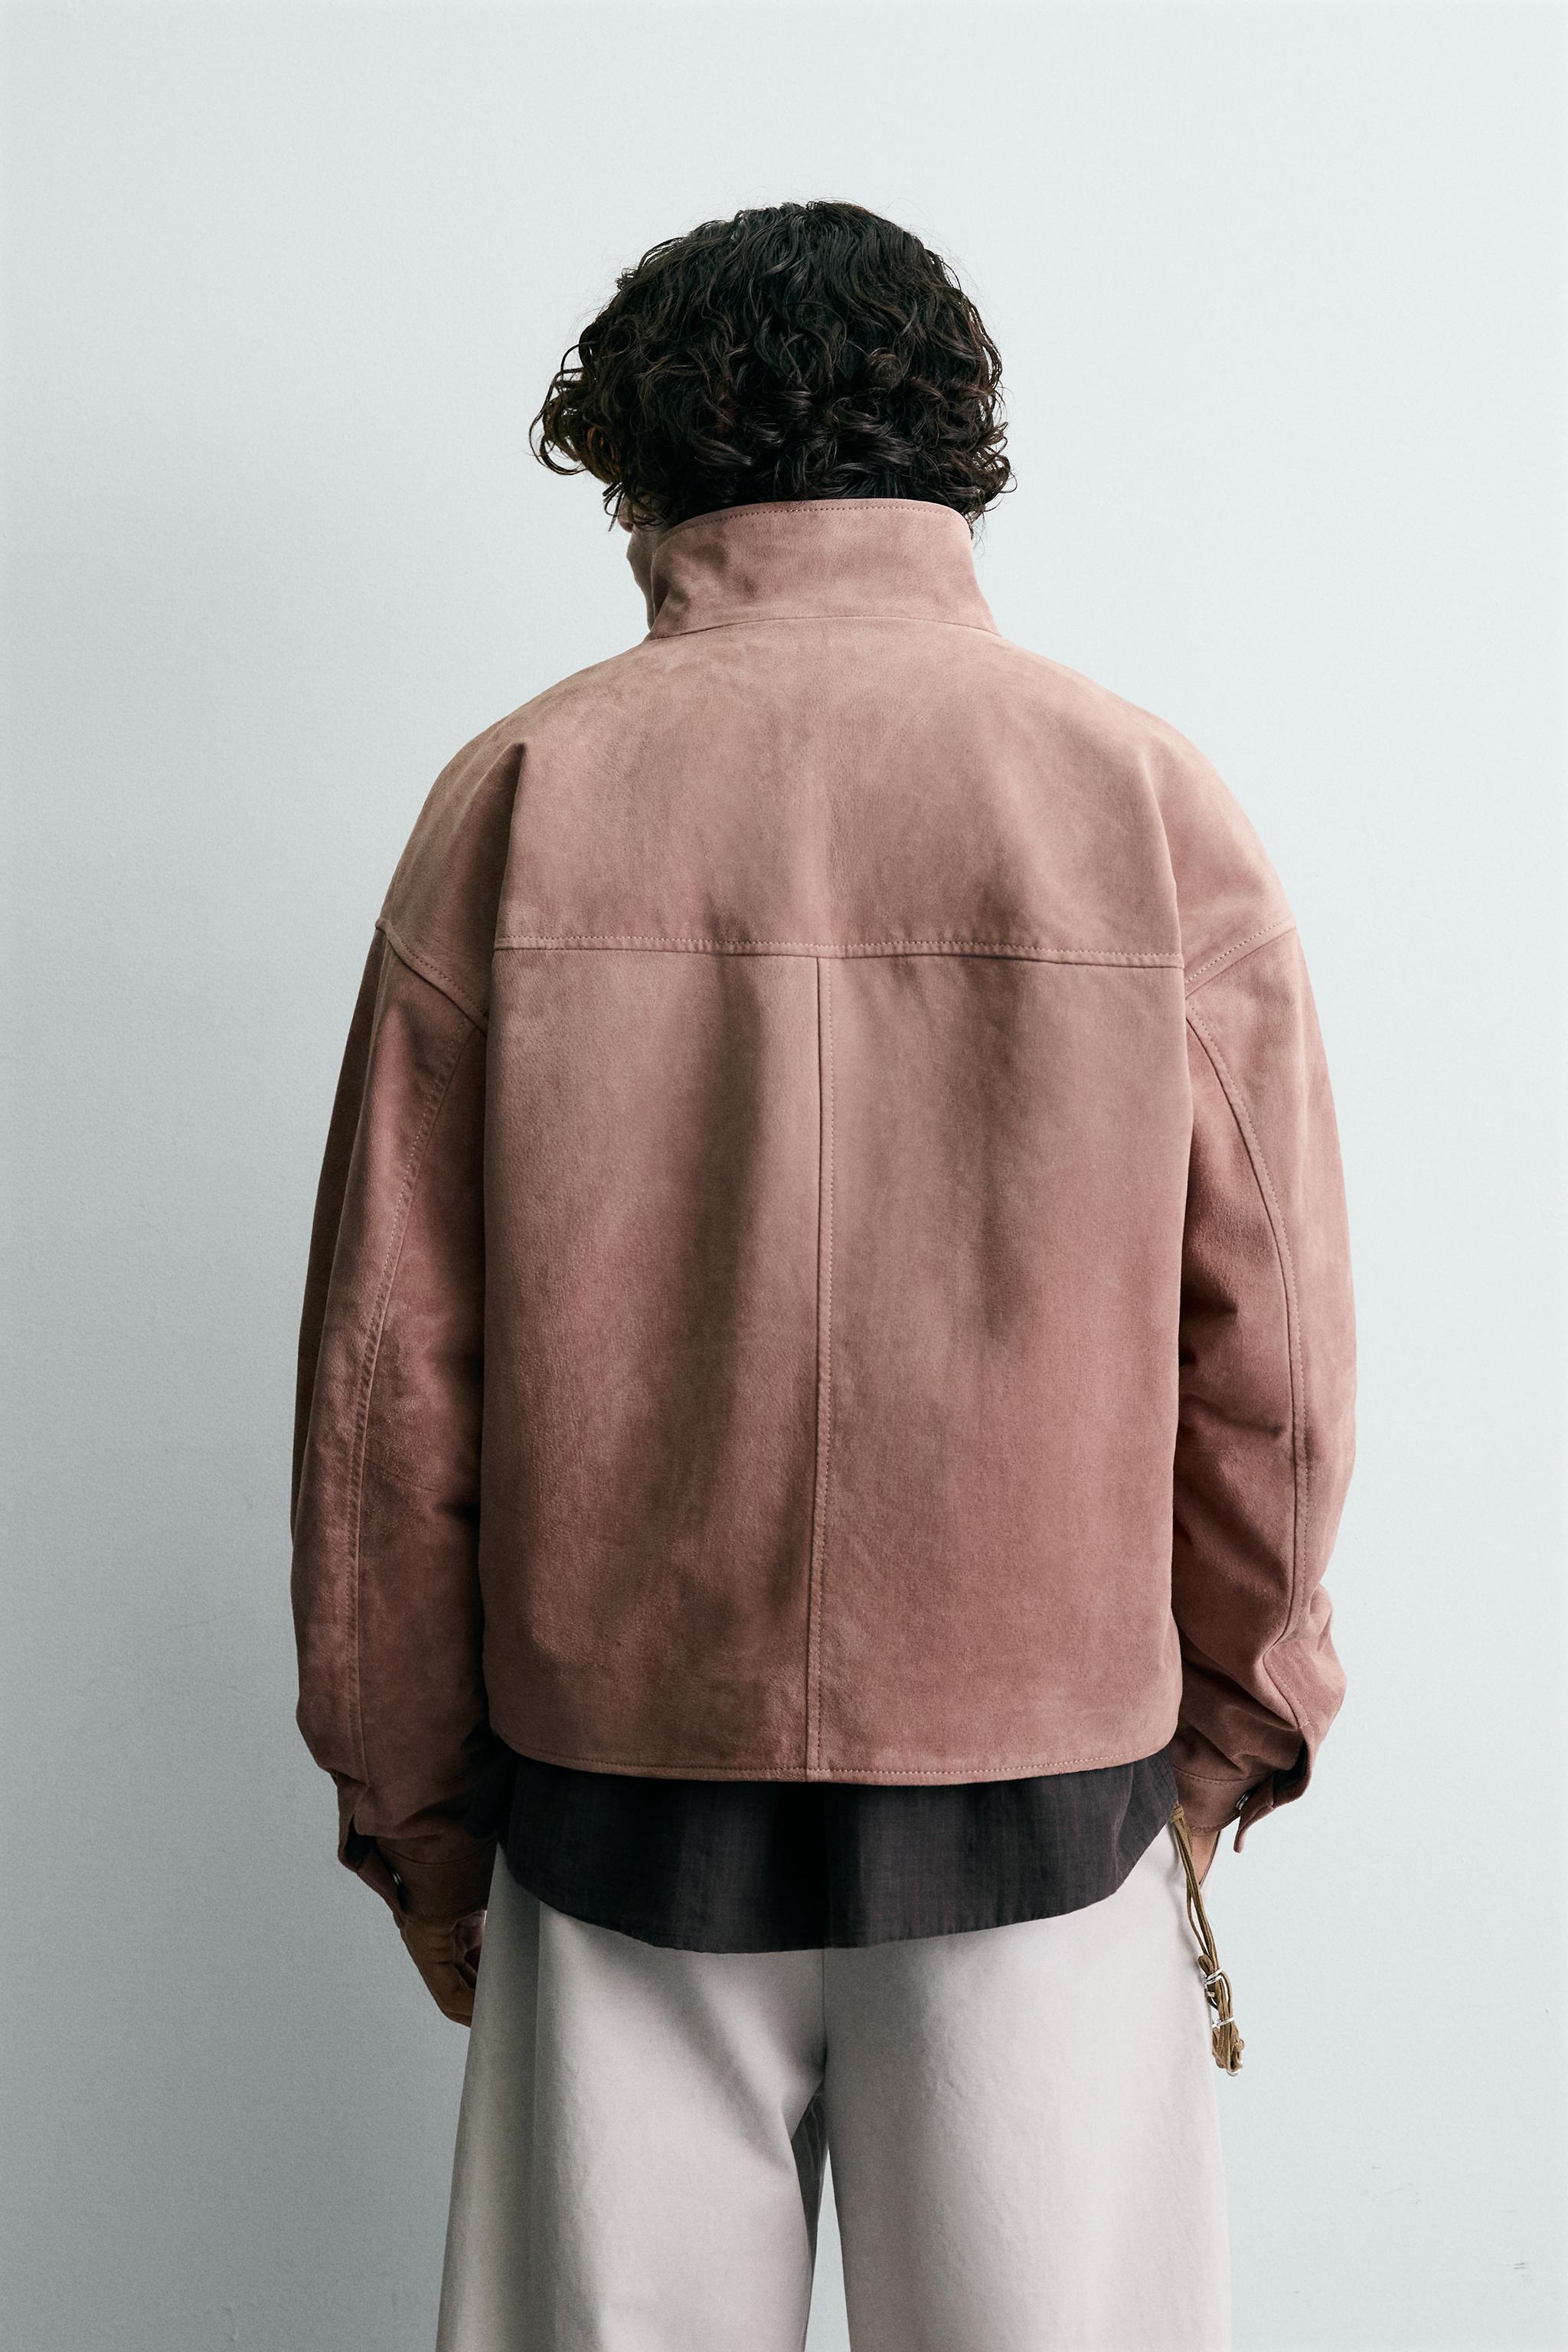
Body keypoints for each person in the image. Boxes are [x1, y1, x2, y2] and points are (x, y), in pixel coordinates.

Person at [289, 199, 1355, 2352]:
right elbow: (1277, 1361)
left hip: (614, 1805)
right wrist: (1230, 1736)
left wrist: (422, 1819)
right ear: (959, 449)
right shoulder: (1140, 798)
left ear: (638, 464)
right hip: (1047, 1801)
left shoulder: (519, 795)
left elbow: (388, 1394)